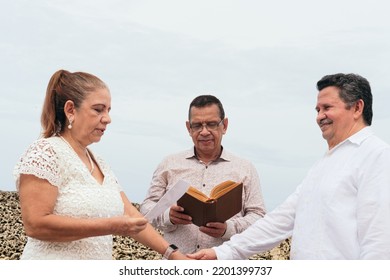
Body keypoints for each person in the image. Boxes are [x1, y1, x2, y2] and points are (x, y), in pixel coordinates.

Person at [188, 73, 390, 260]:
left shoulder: (377, 156)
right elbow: (280, 220)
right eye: (318, 110)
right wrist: (222, 253)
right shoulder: (323, 165)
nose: (319, 116)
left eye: (327, 108)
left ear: (357, 108)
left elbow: (379, 241)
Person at [13, 69, 188, 260]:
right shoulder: (45, 152)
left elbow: (132, 219)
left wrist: (174, 255)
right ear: (70, 110)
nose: (107, 118)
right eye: (98, 109)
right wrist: (112, 226)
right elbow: (35, 224)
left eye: (108, 110)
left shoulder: (100, 163)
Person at [140, 94, 266, 254]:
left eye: (212, 124)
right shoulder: (169, 164)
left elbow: (258, 216)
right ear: (188, 128)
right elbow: (146, 209)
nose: (204, 132)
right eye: (197, 125)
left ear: (224, 125)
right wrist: (168, 216)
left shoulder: (245, 168)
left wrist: (228, 229)